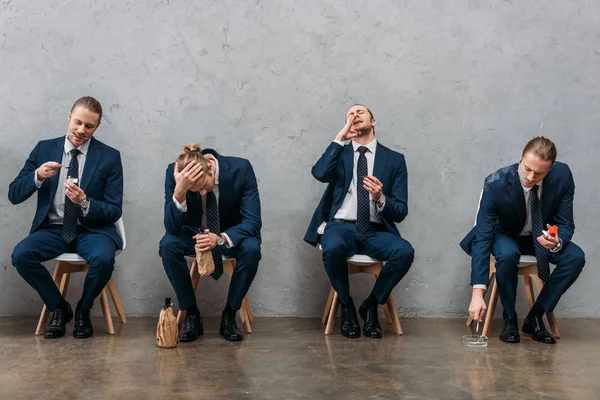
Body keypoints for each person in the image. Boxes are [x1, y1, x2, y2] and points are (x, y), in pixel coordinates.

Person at [9, 96, 124, 339]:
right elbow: (14, 194)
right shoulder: (44, 148)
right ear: (69, 117)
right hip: (53, 229)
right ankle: (59, 308)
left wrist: (85, 202)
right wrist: (38, 176)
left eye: (89, 126)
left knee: (104, 260)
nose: (81, 131)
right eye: (78, 123)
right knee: (21, 255)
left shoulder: (110, 157)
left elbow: (114, 210)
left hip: (92, 231)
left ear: (97, 126)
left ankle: (84, 309)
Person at [304, 104, 415, 339]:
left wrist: (380, 198)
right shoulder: (340, 153)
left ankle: (372, 304)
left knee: (404, 251)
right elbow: (319, 174)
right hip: (342, 227)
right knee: (331, 247)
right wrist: (339, 138)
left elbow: (401, 210)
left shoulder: (394, 160)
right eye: (350, 114)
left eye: (360, 112)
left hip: (376, 230)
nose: (354, 115)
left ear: (373, 121)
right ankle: (347, 307)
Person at [461, 136, 585, 344]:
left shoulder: (562, 175)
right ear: (521, 156)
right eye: (527, 168)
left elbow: (566, 223)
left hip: (539, 236)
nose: (530, 176)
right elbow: (482, 238)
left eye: (539, 173)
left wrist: (557, 242)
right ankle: (510, 319)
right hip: (504, 234)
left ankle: (535, 316)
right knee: (508, 254)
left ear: (551, 168)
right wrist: (477, 292)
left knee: (575, 257)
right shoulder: (496, 183)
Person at [159, 144, 261, 342]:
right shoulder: (176, 172)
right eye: (195, 191)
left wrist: (220, 237)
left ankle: (230, 315)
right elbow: (171, 228)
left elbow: (253, 221)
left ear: (210, 168)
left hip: (228, 235)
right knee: (168, 245)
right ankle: (192, 314)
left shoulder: (242, 169)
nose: (202, 194)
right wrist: (179, 192)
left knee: (252, 248)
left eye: (204, 187)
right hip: (193, 237)